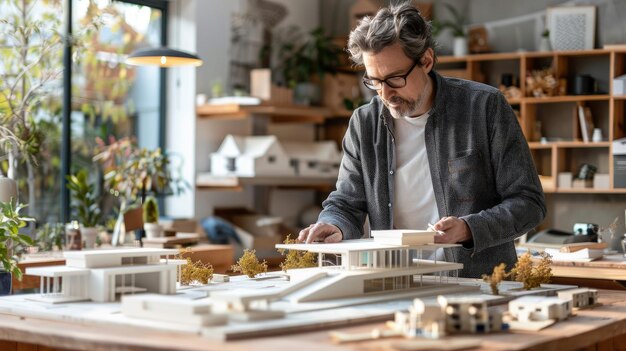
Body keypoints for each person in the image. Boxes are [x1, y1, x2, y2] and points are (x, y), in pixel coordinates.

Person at [297, 3, 546, 278]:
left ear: (426, 60)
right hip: (395, 281)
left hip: (478, 282)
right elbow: (346, 203)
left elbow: (529, 203)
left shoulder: (484, 107)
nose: (385, 93)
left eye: (395, 78)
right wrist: (335, 224)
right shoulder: (364, 123)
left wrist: (469, 229)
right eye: (375, 81)